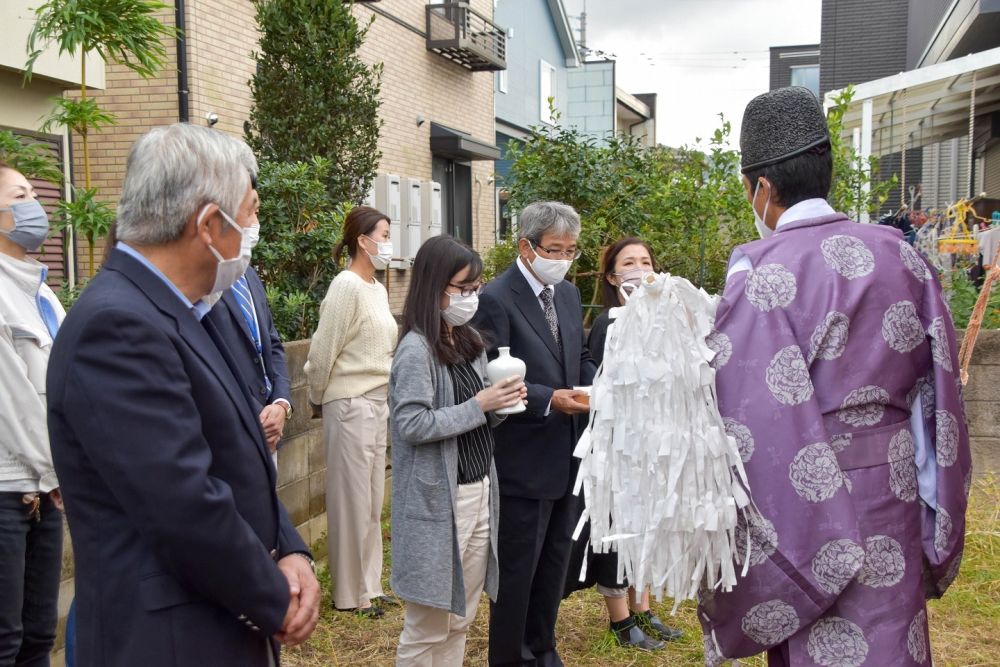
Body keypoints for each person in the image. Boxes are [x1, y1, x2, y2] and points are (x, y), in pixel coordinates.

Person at [698, 87, 971, 666]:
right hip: (892, 488)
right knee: (891, 632)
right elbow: (939, 401)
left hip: (803, 502)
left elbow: (745, 410)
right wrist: (932, 509)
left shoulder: (758, 268)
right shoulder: (902, 254)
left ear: (761, 188)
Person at [46, 123, 319, 667]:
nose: (256, 226)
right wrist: (272, 596)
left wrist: (289, 548)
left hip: (212, 619)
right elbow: (183, 502)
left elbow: (238, 453)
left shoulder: (193, 309)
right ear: (211, 225)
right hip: (167, 640)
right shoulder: (117, 327)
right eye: (252, 210)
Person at [389, 235, 527, 666]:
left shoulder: (466, 339)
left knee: (460, 616)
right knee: (428, 625)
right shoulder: (416, 349)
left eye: (475, 288)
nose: (471, 297)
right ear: (435, 286)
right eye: (462, 288)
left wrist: (501, 403)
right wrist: (479, 405)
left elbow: (480, 415)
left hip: (480, 490)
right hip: (439, 501)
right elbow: (411, 424)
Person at [473, 201, 597, 667]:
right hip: (521, 456)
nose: (563, 259)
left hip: (567, 451)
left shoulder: (564, 294)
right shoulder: (496, 297)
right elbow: (490, 374)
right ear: (526, 247)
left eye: (571, 251)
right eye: (554, 250)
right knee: (518, 572)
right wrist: (551, 398)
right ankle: (511, 656)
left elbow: (578, 355)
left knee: (553, 566)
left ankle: (544, 649)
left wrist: (595, 382)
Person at [563, 237, 681, 650]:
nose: (639, 268)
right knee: (620, 528)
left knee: (649, 526)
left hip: (656, 442)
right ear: (612, 276)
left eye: (646, 261)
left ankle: (644, 608)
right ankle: (620, 619)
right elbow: (601, 385)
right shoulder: (610, 323)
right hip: (620, 446)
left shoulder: (664, 318)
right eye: (628, 263)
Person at [304, 205, 399, 617]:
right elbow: (323, 350)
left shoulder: (377, 288)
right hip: (348, 401)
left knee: (372, 500)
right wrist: (318, 395)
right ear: (363, 240)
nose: (388, 243)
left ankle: (371, 588)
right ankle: (349, 594)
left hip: (378, 400)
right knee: (351, 500)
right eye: (384, 233)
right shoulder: (345, 286)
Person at [0, 162, 64, 666]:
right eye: (20, 194)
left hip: (47, 486)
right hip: (9, 487)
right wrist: (56, 469)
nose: (34, 204)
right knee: (6, 638)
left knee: (40, 637)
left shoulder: (42, 292)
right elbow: (14, 403)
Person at [207, 170, 292, 467]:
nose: (256, 223)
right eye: (251, 212)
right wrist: (256, 413)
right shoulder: (207, 282)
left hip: (270, 424)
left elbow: (272, 342)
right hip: (236, 430)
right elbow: (213, 358)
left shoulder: (250, 275)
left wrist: (281, 403)